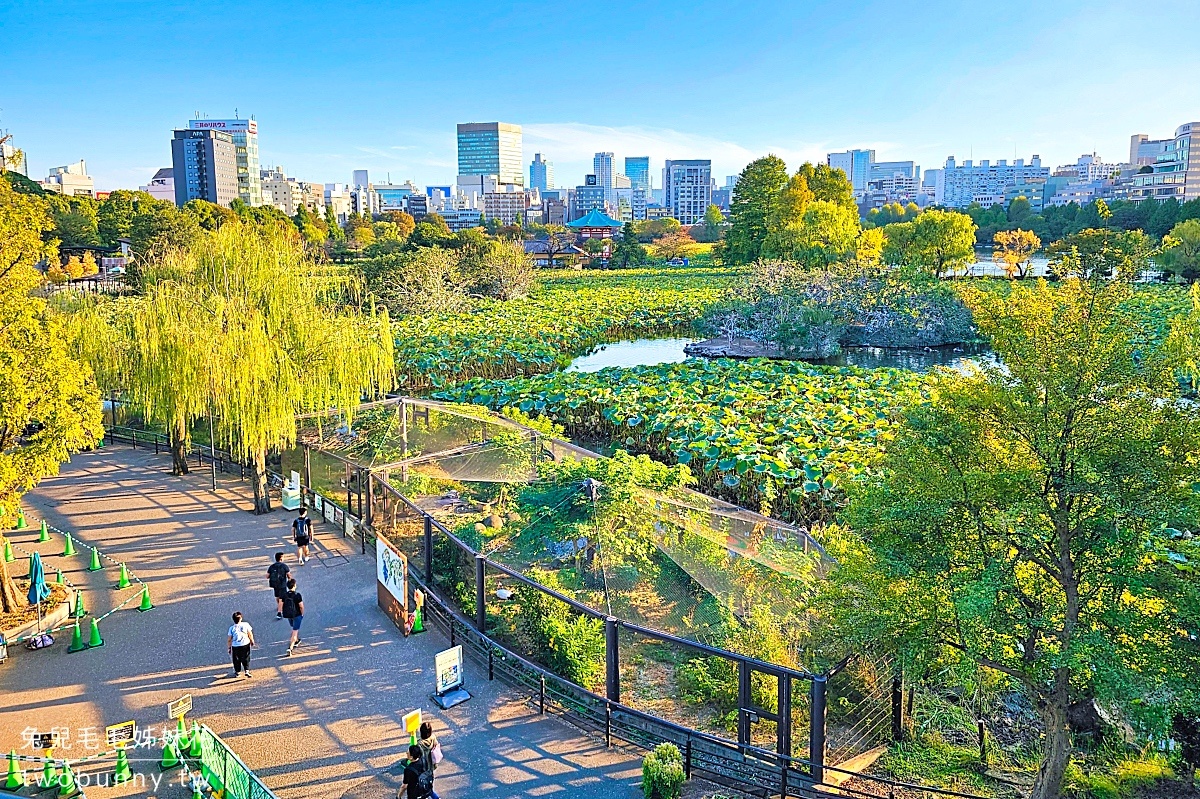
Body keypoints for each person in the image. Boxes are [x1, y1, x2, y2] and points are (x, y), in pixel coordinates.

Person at [417, 722, 442, 799]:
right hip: (431, 766)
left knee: (423, 785)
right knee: (429, 783)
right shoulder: (433, 737)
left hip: (423, 768)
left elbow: (419, 756)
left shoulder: (420, 744)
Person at [227, 612, 256, 678]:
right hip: (245, 643)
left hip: (235, 646)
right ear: (241, 618)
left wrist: (229, 647)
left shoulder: (231, 628)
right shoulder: (246, 624)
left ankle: (238, 672)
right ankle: (246, 670)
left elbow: (229, 639)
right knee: (246, 657)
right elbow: (250, 633)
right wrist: (252, 641)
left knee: (236, 659)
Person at [281, 578, 304, 656]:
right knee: (295, 631)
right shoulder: (297, 595)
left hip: (288, 615)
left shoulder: (284, 595)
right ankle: (290, 648)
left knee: (293, 627)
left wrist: (280, 612)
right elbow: (301, 606)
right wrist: (302, 614)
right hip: (297, 615)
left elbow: (281, 604)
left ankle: (297, 640)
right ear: (294, 586)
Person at [267, 552, 290, 619]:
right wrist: (290, 581)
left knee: (277, 596)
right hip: (282, 584)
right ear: (281, 558)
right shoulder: (284, 566)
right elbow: (289, 575)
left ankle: (280, 606)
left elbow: (267, 576)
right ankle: (279, 612)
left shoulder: (272, 566)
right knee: (281, 598)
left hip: (274, 584)